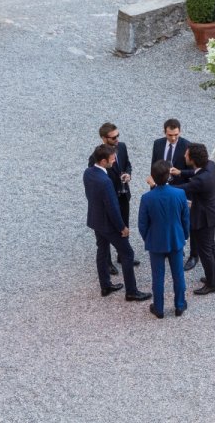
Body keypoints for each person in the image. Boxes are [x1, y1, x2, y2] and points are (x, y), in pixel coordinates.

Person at [83, 144, 151, 302]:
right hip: (108, 225)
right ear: (103, 161)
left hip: (95, 220)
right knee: (127, 253)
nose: (114, 162)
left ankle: (105, 285)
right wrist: (122, 227)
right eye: (112, 159)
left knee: (102, 250)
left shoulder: (88, 173)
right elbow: (113, 208)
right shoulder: (105, 182)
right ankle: (131, 291)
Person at [170, 143, 215, 294]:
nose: (184, 156)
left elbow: (183, 189)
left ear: (193, 159)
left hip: (203, 218)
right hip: (212, 213)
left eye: (186, 155)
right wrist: (181, 172)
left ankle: (212, 284)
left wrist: (160, 186)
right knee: (211, 246)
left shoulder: (201, 180)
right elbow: (195, 173)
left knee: (205, 251)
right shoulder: (210, 165)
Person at [138, 161, 190, 319]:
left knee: (157, 277)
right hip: (175, 239)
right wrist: (184, 236)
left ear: (152, 177)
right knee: (178, 275)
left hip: (156, 242)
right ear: (168, 176)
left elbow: (142, 224)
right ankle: (179, 305)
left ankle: (159, 308)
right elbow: (185, 219)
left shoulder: (146, 198)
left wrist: (148, 238)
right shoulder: (179, 194)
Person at [88, 122, 140, 275]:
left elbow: (127, 164)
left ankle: (122, 255)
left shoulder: (122, 147)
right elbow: (95, 179)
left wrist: (127, 174)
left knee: (124, 223)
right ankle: (108, 262)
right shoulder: (95, 158)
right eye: (113, 138)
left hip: (123, 194)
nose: (117, 139)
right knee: (108, 230)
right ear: (104, 139)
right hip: (109, 198)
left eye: (118, 135)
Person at [151, 119, 197, 270]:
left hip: (181, 190)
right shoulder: (157, 144)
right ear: (164, 132)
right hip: (162, 188)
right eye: (170, 135)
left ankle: (194, 255)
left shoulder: (187, 146)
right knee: (167, 218)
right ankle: (172, 247)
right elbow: (154, 165)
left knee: (187, 222)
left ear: (180, 132)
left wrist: (180, 172)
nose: (173, 138)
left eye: (176, 134)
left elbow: (195, 172)